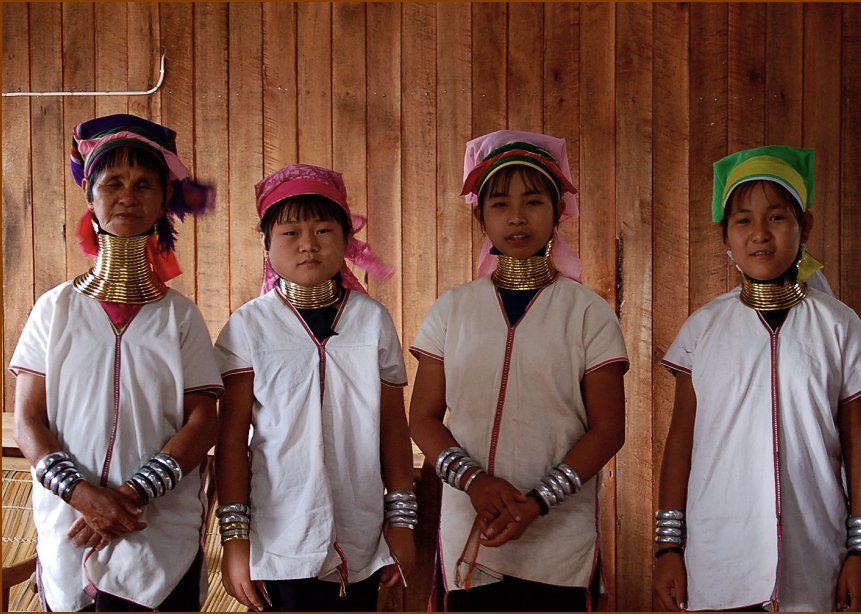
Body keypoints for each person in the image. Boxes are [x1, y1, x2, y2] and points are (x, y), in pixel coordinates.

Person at [652, 146, 861, 612]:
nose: (760, 234)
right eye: (742, 220)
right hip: (718, 557)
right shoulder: (704, 329)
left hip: (815, 558)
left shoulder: (838, 325)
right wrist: (667, 548)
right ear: (725, 234)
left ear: (805, 228)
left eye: (777, 217)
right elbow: (681, 441)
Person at [408, 130, 628, 611]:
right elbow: (422, 417)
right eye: (500, 203)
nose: (517, 217)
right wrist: (475, 482)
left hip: (559, 542)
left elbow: (609, 429)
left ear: (556, 213)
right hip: (470, 533)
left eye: (533, 201)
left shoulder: (588, 313)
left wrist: (538, 501)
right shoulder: (452, 310)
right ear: (479, 215)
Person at [10, 113, 222, 611]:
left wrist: (132, 495)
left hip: (156, 531)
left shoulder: (180, 316)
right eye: (113, 182)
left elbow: (203, 420)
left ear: (163, 200)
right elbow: (28, 419)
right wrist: (83, 495)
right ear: (91, 197)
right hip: (70, 528)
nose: (128, 194)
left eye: (145, 183)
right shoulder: (55, 309)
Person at [213, 163, 416, 612]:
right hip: (281, 540)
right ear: (266, 244)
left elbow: (392, 428)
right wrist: (235, 542)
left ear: (347, 239)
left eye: (324, 229)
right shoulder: (248, 327)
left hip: (362, 539)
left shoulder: (372, 321)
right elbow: (230, 443)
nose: (308, 244)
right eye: (290, 232)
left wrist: (401, 523)